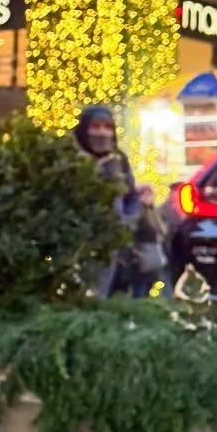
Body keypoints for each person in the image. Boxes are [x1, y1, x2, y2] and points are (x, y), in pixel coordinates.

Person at [74, 104, 140, 295]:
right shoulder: (73, 160)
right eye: (95, 126)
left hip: (112, 244)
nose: (102, 133)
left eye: (107, 127)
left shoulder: (119, 160)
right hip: (80, 243)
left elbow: (132, 196)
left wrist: (126, 222)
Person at [127, 184, 169, 298]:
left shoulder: (154, 212)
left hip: (153, 253)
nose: (149, 197)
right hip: (141, 252)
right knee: (140, 285)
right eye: (146, 194)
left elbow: (161, 230)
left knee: (151, 283)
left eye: (150, 194)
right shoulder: (137, 212)